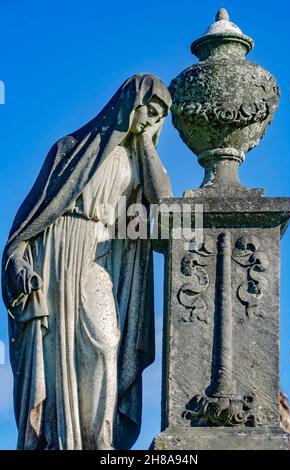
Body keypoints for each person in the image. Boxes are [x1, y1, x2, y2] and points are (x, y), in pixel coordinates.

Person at [2, 74, 172, 450]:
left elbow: (163, 203)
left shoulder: (135, 163)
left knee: (106, 343)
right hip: (55, 255)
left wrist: (145, 141)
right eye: (149, 110)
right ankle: (60, 438)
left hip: (98, 256)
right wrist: (17, 259)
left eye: (159, 117)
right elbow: (32, 217)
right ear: (130, 102)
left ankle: (100, 441)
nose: (151, 120)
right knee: (57, 355)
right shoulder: (71, 149)